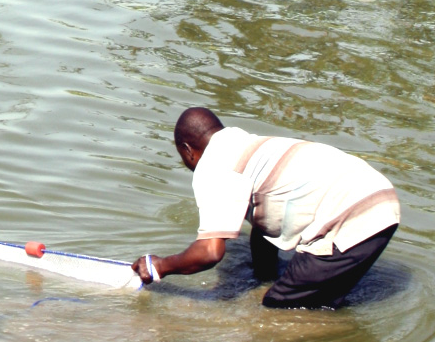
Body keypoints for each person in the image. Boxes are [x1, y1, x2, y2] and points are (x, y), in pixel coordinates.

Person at [133, 107, 400, 309]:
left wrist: (159, 266)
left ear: (188, 149)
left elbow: (210, 252)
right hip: (379, 196)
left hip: (355, 213)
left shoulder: (212, 167)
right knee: (316, 298)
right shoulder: (245, 144)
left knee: (278, 306)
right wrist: (261, 275)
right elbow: (264, 224)